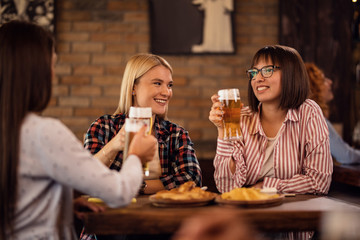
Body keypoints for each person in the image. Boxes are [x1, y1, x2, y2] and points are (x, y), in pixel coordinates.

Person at [0, 20, 157, 239]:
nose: (53, 76)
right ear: (35, 73)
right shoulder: (44, 133)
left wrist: (61, 208)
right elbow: (119, 193)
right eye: (51, 66)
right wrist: (136, 155)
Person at [209, 45, 333, 239]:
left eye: (267, 70)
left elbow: (319, 182)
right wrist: (223, 130)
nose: (258, 78)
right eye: (254, 72)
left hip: (291, 226)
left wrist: (264, 186)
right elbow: (226, 187)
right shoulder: (241, 118)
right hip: (247, 226)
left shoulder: (309, 112)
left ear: (292, 74)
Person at [83, 53, 202, 194]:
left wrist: (134, 186)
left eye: (169, 85)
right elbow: (86, 176)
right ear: (133, 87)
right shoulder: (103, 126)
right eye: (157, 83)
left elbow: (192, 179)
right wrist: (114, 145)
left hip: (162, 214)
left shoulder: (176, 134)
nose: (167, 92)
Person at [305, 62, 360, 165]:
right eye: (323, 80)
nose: (330, 82)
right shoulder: (315, 119)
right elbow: (346, 155)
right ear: (313, 89)